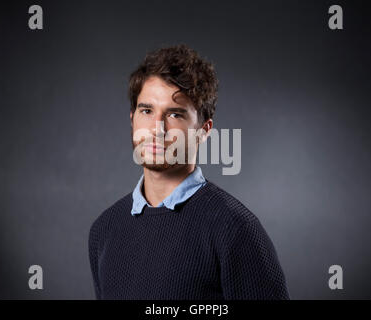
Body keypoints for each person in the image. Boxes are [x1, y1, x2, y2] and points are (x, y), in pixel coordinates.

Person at [88, 44, 289, 300]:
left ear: (204, 130)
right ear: (132, 118)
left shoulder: (236, 230)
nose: (157, 129)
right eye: (147, 111)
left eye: (175, 114)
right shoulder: (104, 230)